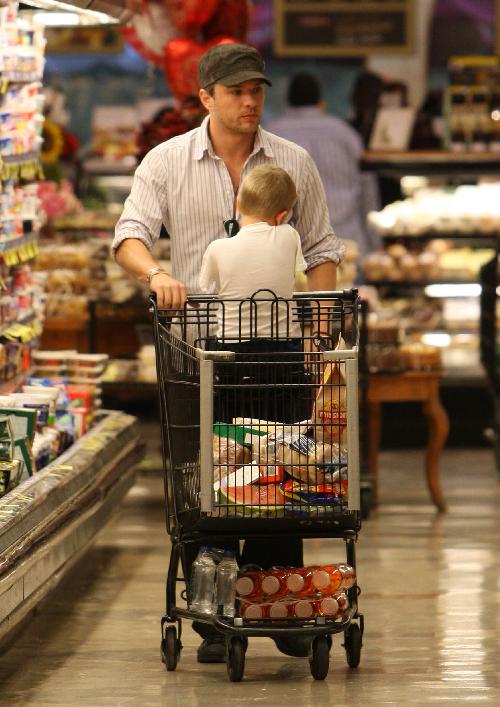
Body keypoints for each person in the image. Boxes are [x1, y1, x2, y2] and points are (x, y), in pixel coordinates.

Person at [113, 43, 344, 663]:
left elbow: (321, 249)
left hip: (277, 355)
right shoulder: (167, 162)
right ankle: (214, 610)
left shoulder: (293, 161)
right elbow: (129, 234)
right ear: (206, 97)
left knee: (278, 475)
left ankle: (274, 599)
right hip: (196, 352)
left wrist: (319, 326)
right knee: (205, 479)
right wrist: (156, 274)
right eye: (237, 91)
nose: (250, 101)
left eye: (256, 90)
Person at [268, 72, 381, 260]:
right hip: (347, 240)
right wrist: (376, 244)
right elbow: (368, 190)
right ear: (320, 100)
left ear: (288, 99)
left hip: (293, 246)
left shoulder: (271, 134)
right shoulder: (345, 133)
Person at [199, 163, 305, 340]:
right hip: (282, 345)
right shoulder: (290, 236)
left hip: (232, 344)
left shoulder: (217, 248)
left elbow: (205, 287)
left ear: (238, 205)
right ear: (281, 216)